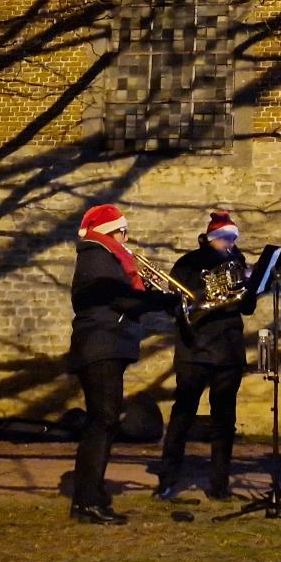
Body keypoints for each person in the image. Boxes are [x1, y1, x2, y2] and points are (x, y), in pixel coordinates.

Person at [66, 204, 174, 524]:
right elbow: (122, 300)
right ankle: (87, 502)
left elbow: (124, 298)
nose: (127, 238)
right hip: (100, 345)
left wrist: (148, 292)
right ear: (109, 231)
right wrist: (163, 300)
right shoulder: (97, 256)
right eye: (123, 232)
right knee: (103, 422)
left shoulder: (103, 256)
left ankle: (92, 496)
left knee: (104, 422)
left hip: (106, 345)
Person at [156, 209, 258, 501]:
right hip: (195, 348)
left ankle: (219, 484)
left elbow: (247, 308)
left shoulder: (238, 262)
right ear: (211, 237)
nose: (230, 243)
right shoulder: (188, 262)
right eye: (225, 238)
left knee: (224, 419)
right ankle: (167, 479)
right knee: (183, 414)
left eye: (233, 238)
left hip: (229, 349)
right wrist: (205, 296)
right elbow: (175, 304)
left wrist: (251, 285)